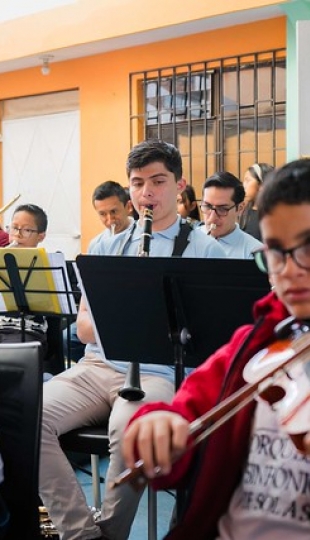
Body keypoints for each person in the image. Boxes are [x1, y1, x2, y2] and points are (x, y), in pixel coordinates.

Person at [39, 139, 226, 540]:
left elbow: (209, 338)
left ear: (179, 185)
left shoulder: (207, 250)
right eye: (138, 183)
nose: (146, 193)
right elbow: (85, 327)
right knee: (26, 414)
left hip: (159, 371)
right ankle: (81, 533)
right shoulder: (105, 245)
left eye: (158, 181)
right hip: (98, 365)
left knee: (131, 432)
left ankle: (112, 532)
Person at [122, 157, 310, 540]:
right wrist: (158, 425)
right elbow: (187, 408)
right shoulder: (256, 345)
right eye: (275, 252)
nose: (288, 271)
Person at [63, 181, 135, 363]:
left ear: (128, 207)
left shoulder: (141, 237)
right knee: (67, 338)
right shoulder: (96, 244)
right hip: (101, 312)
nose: (109, 220)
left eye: (114, 212)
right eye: (102, 214)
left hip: (129, 312)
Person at [0, 204, 48, 351]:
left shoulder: (45, 264)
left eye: (26, 230)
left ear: (41, 236)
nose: (17, 235)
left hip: (28, 330)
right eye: (14, 228)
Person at [199, 171, 263, 258]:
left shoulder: (254, 252)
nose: (212, 217)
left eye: (222, 209)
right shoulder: (188, 240)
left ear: (240, 208)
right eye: (207, 206)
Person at [239, 162, 274, 240]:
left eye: (248, 180)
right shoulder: (244, 212)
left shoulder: (272, 216)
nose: (244, 185)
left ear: (262, 185)